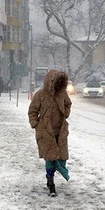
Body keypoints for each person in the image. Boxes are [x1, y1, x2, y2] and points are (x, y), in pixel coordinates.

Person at [28, 69, 72, 197]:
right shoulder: (41, 95)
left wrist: (66, 113)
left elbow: (68, 104)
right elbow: (32, 111)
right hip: (46, 130)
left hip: (60, 130)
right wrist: (36, 124)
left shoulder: (62, 94)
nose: (58, 85)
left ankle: (57, 173)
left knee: (61, 156)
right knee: (49, 157)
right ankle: (50, 181)